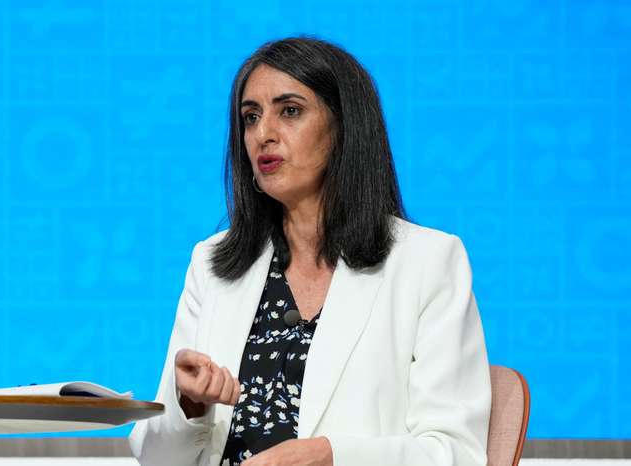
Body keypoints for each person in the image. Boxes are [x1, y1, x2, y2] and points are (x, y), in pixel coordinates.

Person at [129, 37, 491, 466]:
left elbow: (456, 454)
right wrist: (190, 406)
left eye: (290, 111)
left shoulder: (429, 262)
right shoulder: (212, 263)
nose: (263, 134)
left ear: (344, 127)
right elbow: (154, 458)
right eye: (250, 117)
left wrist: (331, 456)